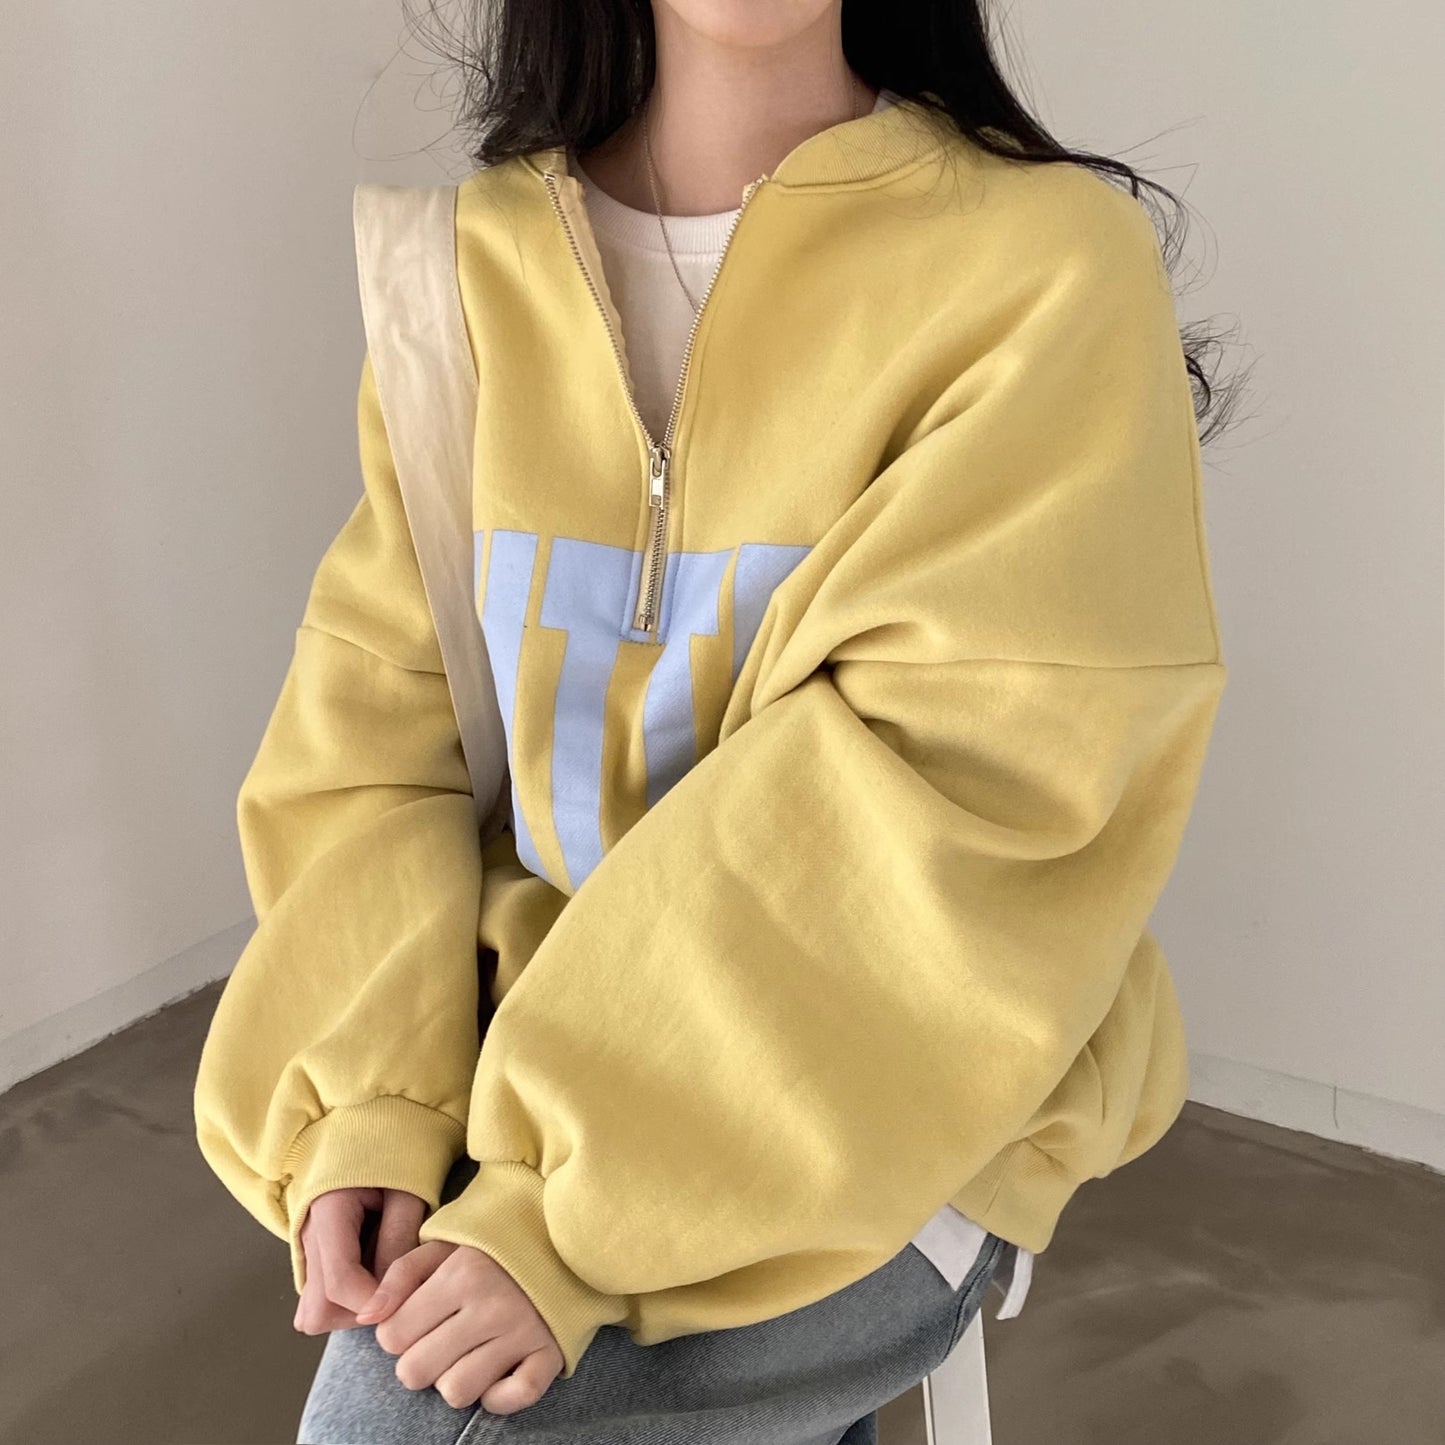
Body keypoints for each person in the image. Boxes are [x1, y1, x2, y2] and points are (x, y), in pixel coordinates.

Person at [193, 1, 1238, 1440]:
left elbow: (950, 796)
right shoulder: (465, 272)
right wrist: (368, 1098)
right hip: (520, 1062)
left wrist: (565, 1208)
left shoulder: (1041, 269)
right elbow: (376, 741)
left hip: (914, 1079)